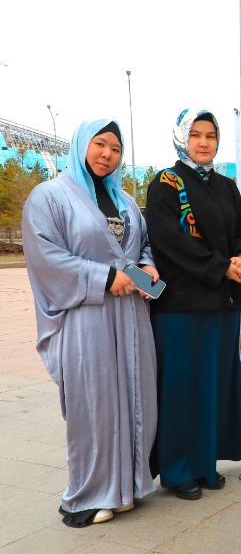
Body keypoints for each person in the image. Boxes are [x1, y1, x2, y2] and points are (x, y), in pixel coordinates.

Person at [22, 119, 158, 527]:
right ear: (82, 145)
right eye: (100, 144)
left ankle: (129, 486)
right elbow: (46, 256)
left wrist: (149, 274)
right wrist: (103, 278)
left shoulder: (126, 201)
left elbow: (139, 249)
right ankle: (89, 494)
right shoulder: (49, 197)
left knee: (137, 399)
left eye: (116, 149)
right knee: (95, 405)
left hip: (132, 317)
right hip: (88, 319)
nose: (107, 155)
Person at [145, 108, 241, 500]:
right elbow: (169, 242)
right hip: (181, 307)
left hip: (222, 306)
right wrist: (221, 267)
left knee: (214, 386)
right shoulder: (166, 183)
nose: (204, 142)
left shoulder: (226, 186)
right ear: (182, 138)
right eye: (196, 135)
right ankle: (177, 472)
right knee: (181, 389)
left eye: (210, 135)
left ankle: (205, 464)